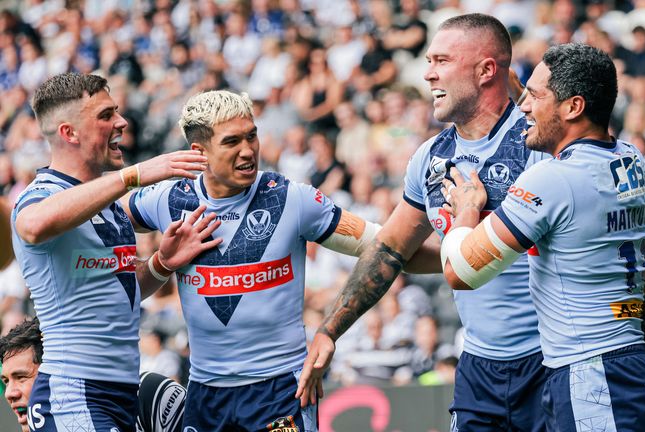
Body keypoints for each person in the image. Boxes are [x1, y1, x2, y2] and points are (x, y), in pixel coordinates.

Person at [124, 90, 438, 432]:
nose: (248, 151)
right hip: (205, 394)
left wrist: (463, 259)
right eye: (231, 142)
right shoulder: (169, 200)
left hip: (279, 391)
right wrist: (160, 258)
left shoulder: (292, 199)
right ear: (199, 152)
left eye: (252, 135)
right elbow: (94, 224)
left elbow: (389, 247)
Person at [298, 14, 549, 431]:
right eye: (428, 60)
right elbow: (393, 250)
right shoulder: (430, 157)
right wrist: (329, 330)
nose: (428, 73)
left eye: (442, 60)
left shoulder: (540, 144)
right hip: (478, 368)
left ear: (488, 70)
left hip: (551, 362)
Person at [439, 43, 645, 431]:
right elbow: (642, 255)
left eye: (534, 96)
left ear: (573, 107)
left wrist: (466, 209)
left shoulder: (552, 180)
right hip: (627, 362)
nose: (524, 107)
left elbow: (462, 272)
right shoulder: (631, 160)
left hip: (591, 373)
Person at [10, 72, 219, 431]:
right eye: (106, 116)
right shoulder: (42, 193)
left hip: (119, 393)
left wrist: (163, 262)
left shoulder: (105, 202)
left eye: (117, 112)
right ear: (69, 133)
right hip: (74, 393)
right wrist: (133, 175)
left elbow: (119, 289)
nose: (121, 122)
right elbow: (30, 225)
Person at [0, 318, 187, 432]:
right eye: (6, 381)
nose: (9, 393)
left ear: (56, 370)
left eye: (21, 377)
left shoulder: (150, 394)